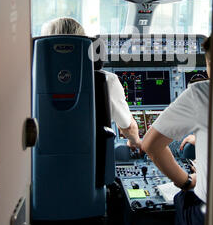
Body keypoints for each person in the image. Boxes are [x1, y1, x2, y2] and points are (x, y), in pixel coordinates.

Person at [141, 36, 211, 225]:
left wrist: (188, 181)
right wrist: (202, 137)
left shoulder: (202, 93)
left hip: (212, 221)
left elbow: (150, 146)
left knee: (182, 198)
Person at [41, 17, 141, 149]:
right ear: (85, 46)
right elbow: (128, 127)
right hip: (94, 164)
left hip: (39, 163)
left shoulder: (29, 80)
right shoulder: (106, 81)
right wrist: (135, 142)